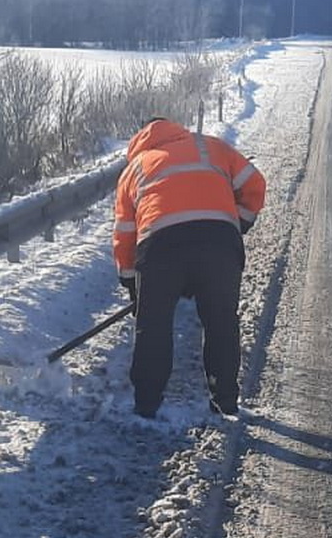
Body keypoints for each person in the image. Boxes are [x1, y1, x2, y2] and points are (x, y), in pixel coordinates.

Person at [112, 118, 266, 420]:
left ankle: (146, 405)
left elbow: (125, 233)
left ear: (139, 141)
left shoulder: (133, 170)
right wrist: (237, 223)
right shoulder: (210, 146)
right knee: (221, 320)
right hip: (219, 243)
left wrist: (132, 283)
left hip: (160, 248)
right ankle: (225, 400)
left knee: (153, 326)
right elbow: (255, 185)